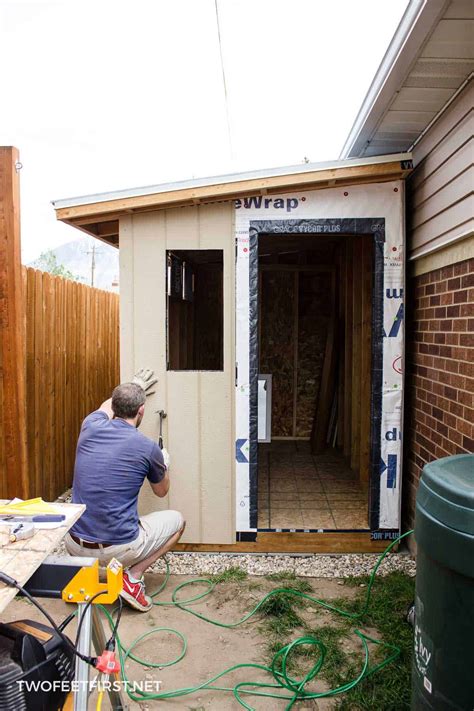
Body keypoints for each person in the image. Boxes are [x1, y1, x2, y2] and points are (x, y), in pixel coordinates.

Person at [64, 369, 185, 612]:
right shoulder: (147, 448)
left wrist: (134, 384)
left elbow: (105, 405)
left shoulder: (90, 425)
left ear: (115, 406)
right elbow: (162, 491)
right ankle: (132, 578)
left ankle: (100, 570)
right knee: (179, 522)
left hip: (74, 545)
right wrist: (164, 464)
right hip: (117, 549)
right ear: (141, 410)